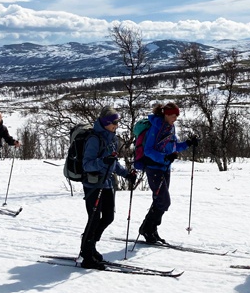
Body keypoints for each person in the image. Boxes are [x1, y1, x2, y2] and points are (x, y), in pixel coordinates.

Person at [80, 106, 137, 269]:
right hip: (93, 184)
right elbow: (87, 165)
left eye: (117, 122)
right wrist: (102, 162)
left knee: (108, 217)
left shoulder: (111, 137)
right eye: (113, 122)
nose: (116, 125)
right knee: (94, 219)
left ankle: (90, 246)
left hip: (106, 183)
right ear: (106, 123)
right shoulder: (94, 139)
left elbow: (113, 162)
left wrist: (126, 174)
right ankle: (87, 254)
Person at [138, 102, 199, 244]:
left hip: (165, 168)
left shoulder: (170, 127)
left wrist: (188, 143)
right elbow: (148, 150)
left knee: (159, 200)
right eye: (173, 115)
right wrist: (164, 157)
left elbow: (174, 146)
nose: (176, 118)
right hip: (154, 168)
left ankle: (150, 229)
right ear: (166, 114)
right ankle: (147, 228)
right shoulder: (155, 127)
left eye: (177, 115)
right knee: (164, 201)